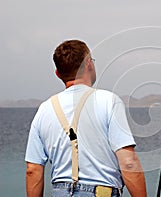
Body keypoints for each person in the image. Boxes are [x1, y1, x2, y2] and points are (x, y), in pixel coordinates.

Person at [25, 40, 147, 197]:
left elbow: (32, 170)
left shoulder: (44, 109)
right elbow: (128, 163)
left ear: (58, 73)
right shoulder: (108, 101)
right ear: (89, 63)